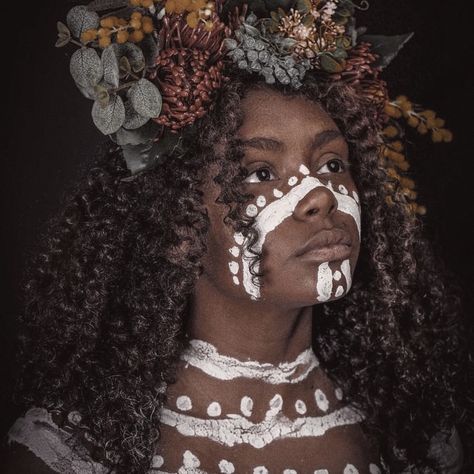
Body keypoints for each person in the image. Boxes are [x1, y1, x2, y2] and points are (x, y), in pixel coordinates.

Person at [1, 1, 471, 473]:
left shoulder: (411, 433)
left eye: (332, 164)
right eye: (261, 172)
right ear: (178, 225)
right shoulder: (74, 452)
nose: (321, 198)